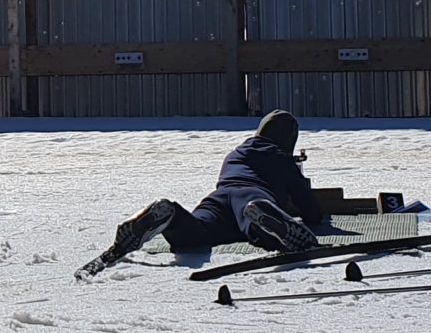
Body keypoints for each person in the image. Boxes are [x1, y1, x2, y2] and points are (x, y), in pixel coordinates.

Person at [103, 110, 328, 263]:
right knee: (254, 225)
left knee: (197, 232)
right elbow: (308, 208)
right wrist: (312, 217)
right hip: (252, 196)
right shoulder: (281, 158)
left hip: (218, 198)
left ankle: (171, 214)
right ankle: (263, 217)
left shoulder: (235, 154)